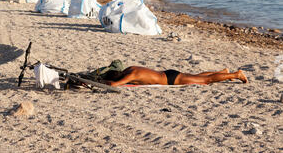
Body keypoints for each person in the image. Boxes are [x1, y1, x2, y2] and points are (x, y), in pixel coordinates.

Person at [104, 66, 248, 87]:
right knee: (196, 76)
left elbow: (114, 85)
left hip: (172, 79)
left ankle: (236, 74)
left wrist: (102, 81)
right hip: (168, 73)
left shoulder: (130, 76)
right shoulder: (130, 69)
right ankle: (224, 72)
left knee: (206, 81)